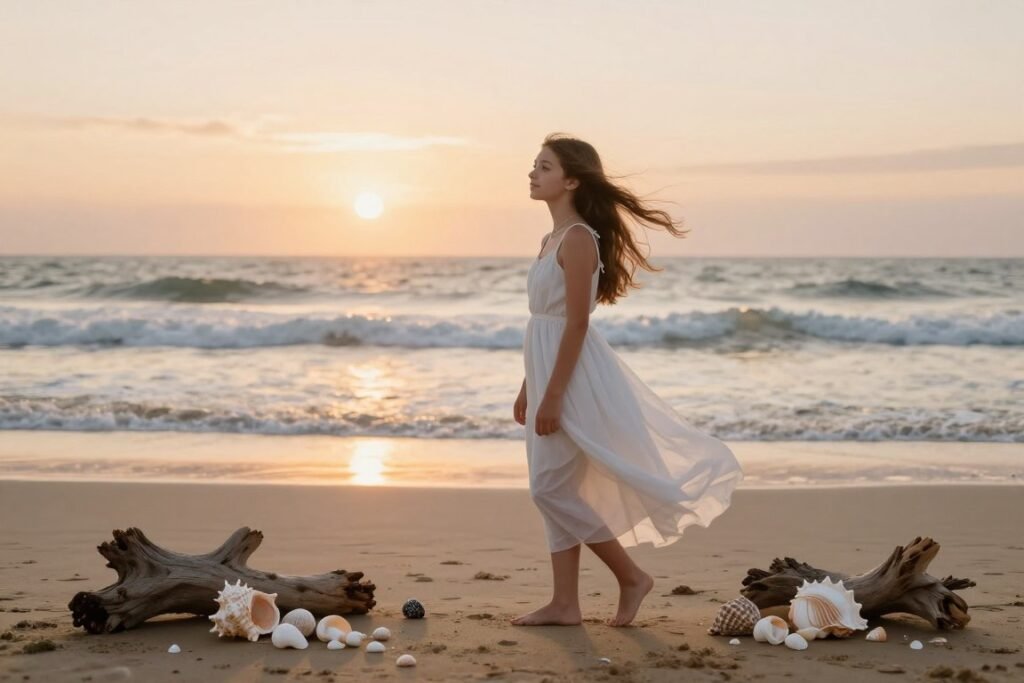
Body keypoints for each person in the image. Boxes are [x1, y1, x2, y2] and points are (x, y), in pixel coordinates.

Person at [511, 133, 743, 627]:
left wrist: (552, 395)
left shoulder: (577, 239)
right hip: (548, 370)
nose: (533, 173)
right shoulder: (550, 239)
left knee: (549, 488)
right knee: (557, 486)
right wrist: (528, 387)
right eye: (535, 165)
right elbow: (544, 325)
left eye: (544, 166)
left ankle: (632, 577)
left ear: (572, 180)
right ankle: (565, 604)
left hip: (573, 378)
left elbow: (575, 324)